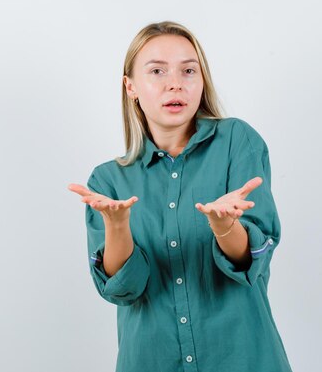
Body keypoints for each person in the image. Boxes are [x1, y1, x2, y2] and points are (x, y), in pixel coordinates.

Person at [68, 21, 292, 372]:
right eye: (157, 71)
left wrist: (225, 227)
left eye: (189, 70)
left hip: (244, 359)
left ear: (202, 81)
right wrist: (117, 226)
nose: (175, 82)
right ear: (131, 87)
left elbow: (252, 262)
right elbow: (123, 289)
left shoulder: (238, 141)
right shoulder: (107, 180)